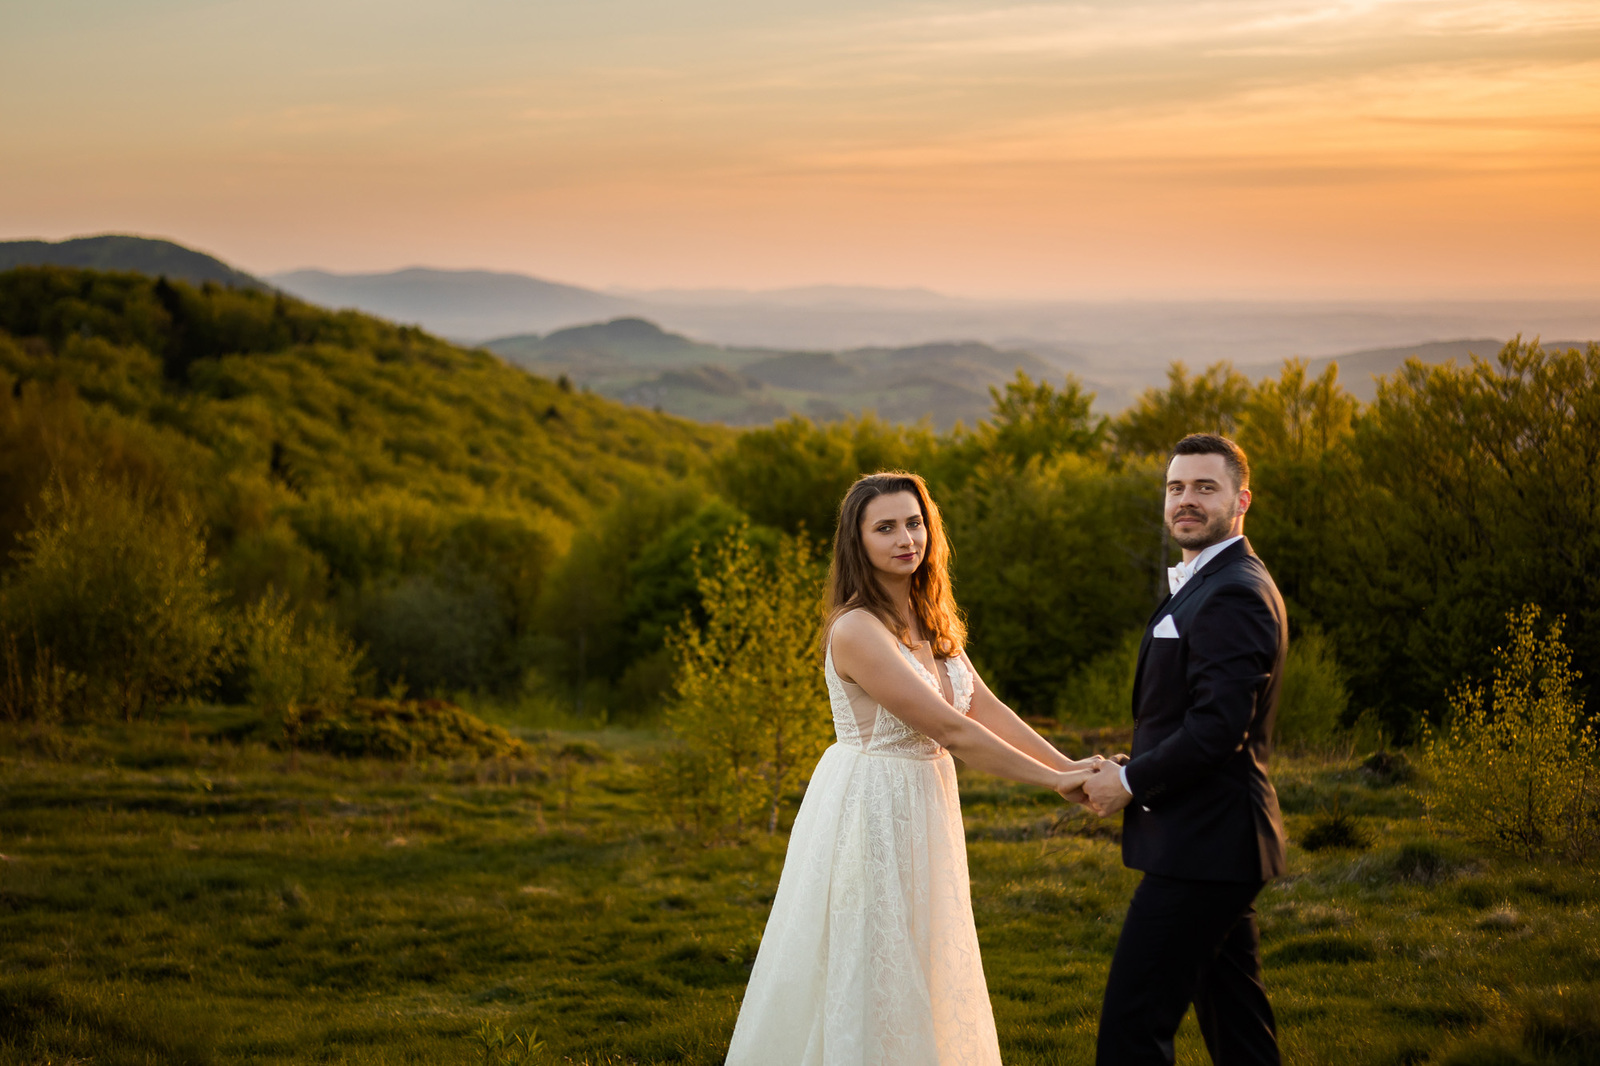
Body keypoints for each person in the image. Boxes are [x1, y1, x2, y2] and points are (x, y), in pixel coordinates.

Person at [725, 471, 1102, 1066]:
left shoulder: (931, 616)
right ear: (858, 542)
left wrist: (1069, 763)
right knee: (873, 959)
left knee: (927, 951)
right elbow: (951, 729)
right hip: (871, 807)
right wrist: (1055, 784)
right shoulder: (856, 628)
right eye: (886, 528)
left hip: (926, 803)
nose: (906, 538)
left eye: (914, 522)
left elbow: (980, 705)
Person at [1080, 433, 1289, 1066]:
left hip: (1206, 848)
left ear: (1241, 500)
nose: (1186, 500)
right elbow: (1186, 715)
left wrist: (1132, 784)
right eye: (1176, 488)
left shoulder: (1234, 591)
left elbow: (1218, 728)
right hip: (1213, 845)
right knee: (1238, 1030)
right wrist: (1131, 763)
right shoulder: (1206, 580)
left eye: (1205, 487)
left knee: (1131, 1031)